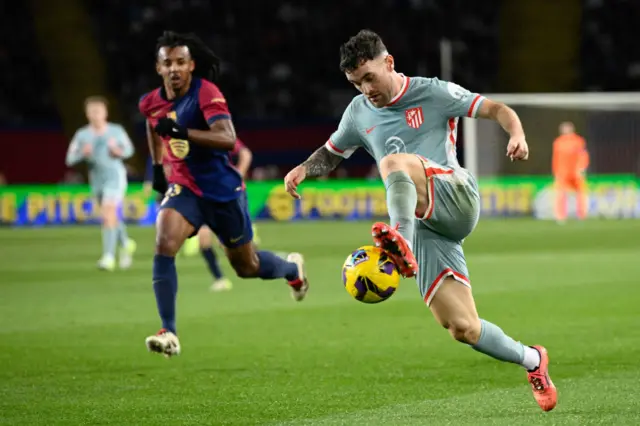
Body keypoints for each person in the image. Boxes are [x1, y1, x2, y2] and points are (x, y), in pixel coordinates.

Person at [284, 30, 556, 412]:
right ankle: (533, 360)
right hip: (428, 228)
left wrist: (517, 134)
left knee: (394, 164)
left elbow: (497, 109)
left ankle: (400, 243)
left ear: (389, 63)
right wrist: (303, 169)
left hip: (455, 196)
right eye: (355, 83)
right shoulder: (358, 113)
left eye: (369, 77)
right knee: (462, 327)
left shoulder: (433, 92)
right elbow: (331, 154)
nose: (365, 89)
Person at [139, 31, 308, 358]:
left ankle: (291, 269)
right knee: (163, 242)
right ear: (158, 68)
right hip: (185, 189)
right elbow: (151, 124)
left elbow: (228, 138)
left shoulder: (206, 93)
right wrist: (159, 169)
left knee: (247, 267)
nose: (174, 68)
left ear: (191, 66)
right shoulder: (151, 102)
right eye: (167, 63)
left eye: (181, 62)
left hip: (222, 192)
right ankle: (168, 331)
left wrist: (184, 132)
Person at [65, 96, 137, 271]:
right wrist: (83, 153)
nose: (95, 115)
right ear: (87, 114)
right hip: (96, 179)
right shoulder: (82, 135)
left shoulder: (116, 131)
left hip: (115, 177)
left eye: (98, 111)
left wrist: (117, 151)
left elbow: (129, 150)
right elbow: (70, 159)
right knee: (109, 216)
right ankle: (126, 243)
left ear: (105, 113)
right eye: (92, 111)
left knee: (108, 212)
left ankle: (108, 257)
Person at [552, 121, 589, 223]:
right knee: (560, 194)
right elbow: (556, 158)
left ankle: (582, 215)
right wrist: (556, 172)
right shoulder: (558, 142)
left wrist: (582, 168)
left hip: (576, 172)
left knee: (581, 193)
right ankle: (560, 216)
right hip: (562, 172)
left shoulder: (578, 141)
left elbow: (583, 155)